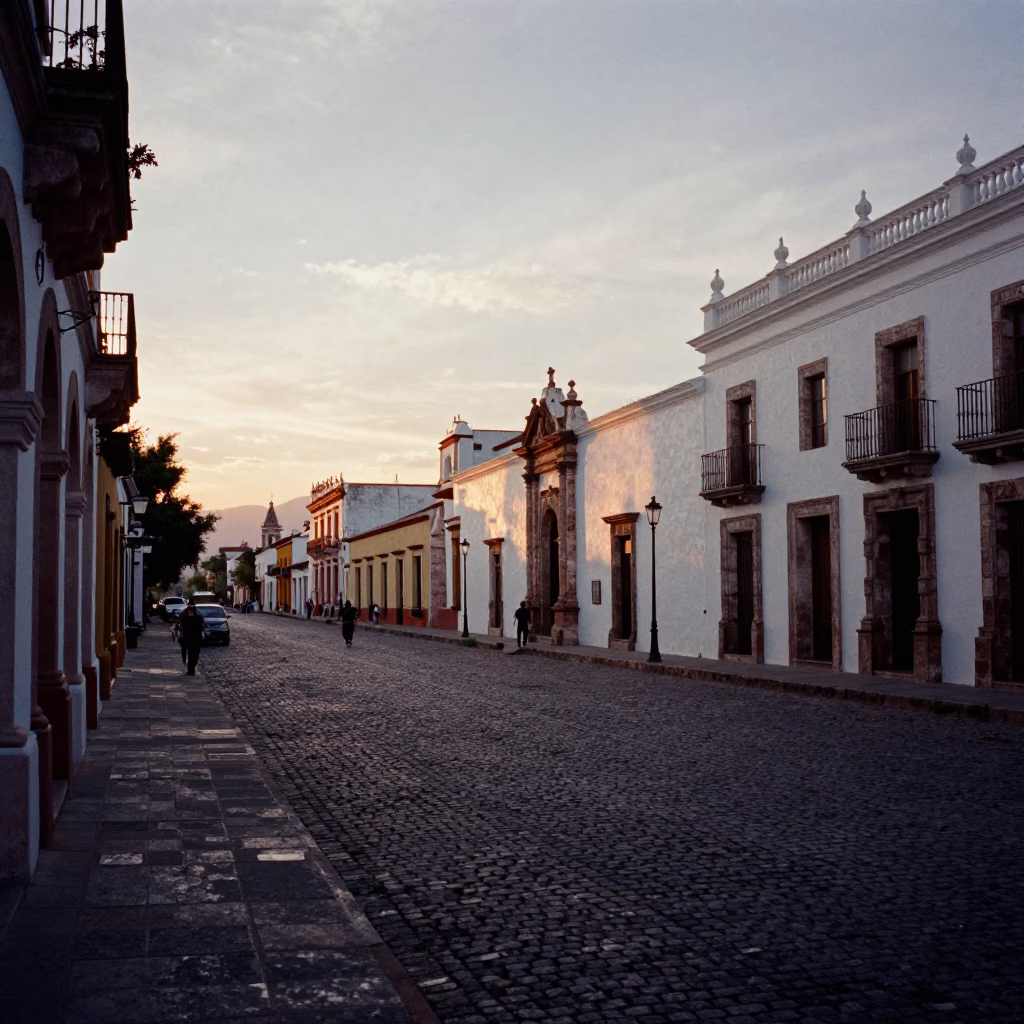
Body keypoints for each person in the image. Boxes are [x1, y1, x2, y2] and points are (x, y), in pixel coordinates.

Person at [178, 598, 204, 676]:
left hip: (195, 637)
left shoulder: (198, 614)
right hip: (188, 637)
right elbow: (179, 622)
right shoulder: (184, 613)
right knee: (189, 654)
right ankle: (190, 669)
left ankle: (191, 668)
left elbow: (202, 625)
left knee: (194, 654)